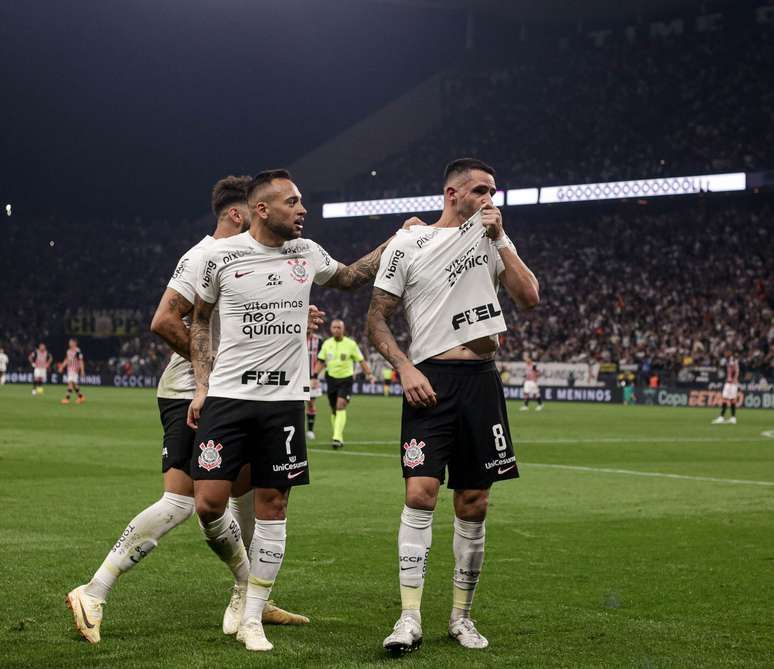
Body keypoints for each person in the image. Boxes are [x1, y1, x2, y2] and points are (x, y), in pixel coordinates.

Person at [66, 176, 309, 645]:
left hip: (240, 395)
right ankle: (94, 590)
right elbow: (163, 320)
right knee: (183, 501)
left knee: (247, 493)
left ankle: (252, 595)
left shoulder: (250, 260)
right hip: (192, 392)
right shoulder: (204, 256)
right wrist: (214, 373)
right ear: (240, 215)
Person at [186, 169, 406, 652]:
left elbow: (349, 277)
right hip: (227, 397)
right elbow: (199, 323)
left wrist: (397, 238)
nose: (302, 209)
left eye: (302, 200)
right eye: (292, 201)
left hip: (284, 403)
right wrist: (202, 386)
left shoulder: (306, 253)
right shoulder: (219, 256)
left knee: (274, 507)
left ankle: (252, 616)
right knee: (207, 504)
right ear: (262, 208)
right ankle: (246, 586)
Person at [367, 158, 539, 654]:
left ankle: (462, 617)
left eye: (494, 190)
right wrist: (404, 366)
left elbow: (529, 297)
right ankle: (409, 617)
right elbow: (377, 318)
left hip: (481, 382)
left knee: (474, 502)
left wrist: (502, 238)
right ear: (451, 194)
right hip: (431, 380)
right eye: (480, 190)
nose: (490, 197)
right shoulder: (409, 243)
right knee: (420, 493)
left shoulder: (490, 239)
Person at [316, 319, 377, 449]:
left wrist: (370, 374)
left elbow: (361, 361)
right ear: (331, 329)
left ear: (343, 329)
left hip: (346, 379)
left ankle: (337, 438)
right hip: (331, 379)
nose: (336, 330)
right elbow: (321, 361)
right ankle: (338, 435)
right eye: (334, 327)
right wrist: (314, 376)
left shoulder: (351, 344)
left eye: (339, 327)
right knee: (334, 410)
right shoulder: (327, 344)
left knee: (340, 406)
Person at [305, 326, 322, 439]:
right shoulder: (296, 338)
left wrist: (316, 377)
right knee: (294, 404)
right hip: (297, 376)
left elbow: (322, 360)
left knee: (311, 403)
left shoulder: (319, 341)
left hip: (312, 377)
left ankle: (310, 430)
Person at [713, 352, 740, 424]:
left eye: (726, 353)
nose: (725, 354)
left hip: (730, 383)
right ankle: (733, 418)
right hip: (733, 383)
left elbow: (734, 370)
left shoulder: (732, 360)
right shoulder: (734, 361)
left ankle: (721, 417)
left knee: (725, 399)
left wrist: (732, 378)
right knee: (732, 400)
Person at [58, 338, 86, 404]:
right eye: (69, 342)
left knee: (70, 382)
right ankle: (81, 397)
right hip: (69, 369)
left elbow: (81, 361)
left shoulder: (78, 351)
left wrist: (82, 370)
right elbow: (67, 359)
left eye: (70, 342)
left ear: (75, 343)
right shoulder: (68, 351)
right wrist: (62, 366)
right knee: (74, 384)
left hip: (75, 369)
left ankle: (67, 399)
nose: (69, 343)